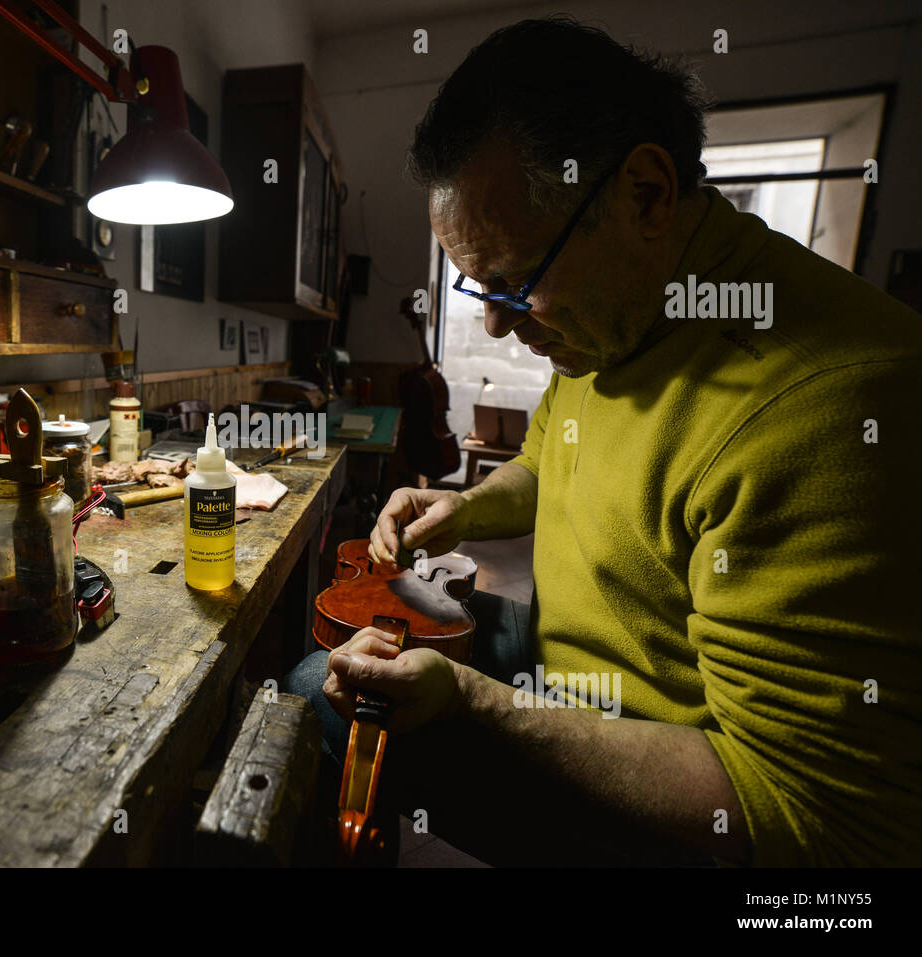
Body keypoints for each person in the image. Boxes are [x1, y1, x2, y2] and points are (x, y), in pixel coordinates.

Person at [287, 16, 922, 866]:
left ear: (648, 195)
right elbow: (551, 462)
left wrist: (479, 702)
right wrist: (464, 507)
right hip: (558, 646)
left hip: (672, 764)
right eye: (481, 287)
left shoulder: (830, 401)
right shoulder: (611, 315)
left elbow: (808, 823)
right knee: (335, 657)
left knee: (307, 708)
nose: (496, 325)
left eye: (516, 284)